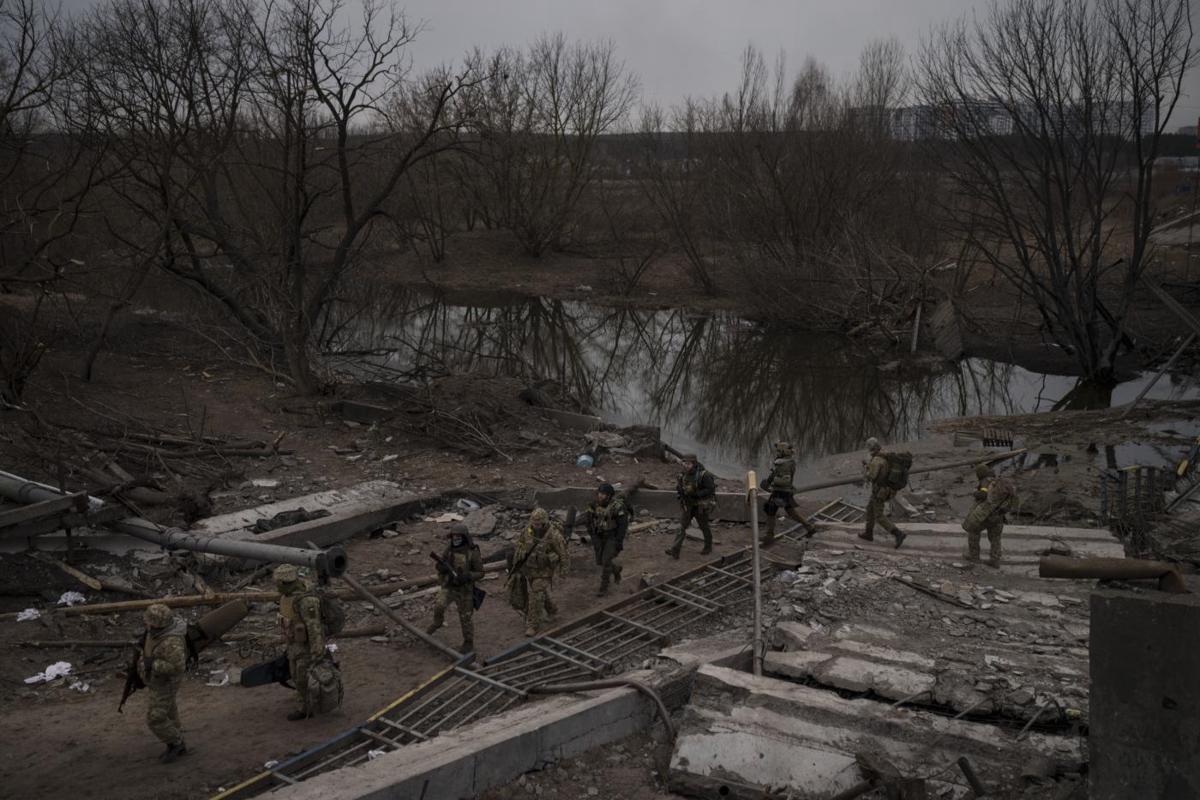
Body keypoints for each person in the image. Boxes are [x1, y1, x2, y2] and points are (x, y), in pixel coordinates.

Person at [275, 564, 326, 720]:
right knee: (296, 677)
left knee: (303, 678)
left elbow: (314, 627)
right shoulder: (287, 597)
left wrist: (317, 652)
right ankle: (306, 704)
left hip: (305, 647)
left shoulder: (306, 601)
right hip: (293, 645)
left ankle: (306, 709)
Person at [139, 603, 188, 763]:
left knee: (156, 718)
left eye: (149, 622)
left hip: (165, 683)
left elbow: (177, 667)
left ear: (157, 624)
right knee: (169, 710)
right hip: (156, 681)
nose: (146, 624)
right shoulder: (155, 633)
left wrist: (152, 664)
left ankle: (176, 742)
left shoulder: (172, 642)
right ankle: (176, 736)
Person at [509, 507, 568, 637]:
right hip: (530, 568)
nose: (536, 526)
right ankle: (552, 609)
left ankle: (532, 625)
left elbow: (563, 552)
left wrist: (563, 569)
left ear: (544, 522)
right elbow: (520, 545)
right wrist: (515, 565)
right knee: (539, 591)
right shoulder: (527, 530)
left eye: (538, 523)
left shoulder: (553, 535)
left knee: (535, 595)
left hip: (545, 569)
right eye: (534, 523)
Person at [427, 524, 484, 652]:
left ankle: (468, 642)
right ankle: (437, 622)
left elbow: (481, 573)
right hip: (450, 586)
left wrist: (467, 576)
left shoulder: (473, 552)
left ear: (464, 537)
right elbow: (441, 562)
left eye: (459, 536)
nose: (456, 538)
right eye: (454, 536)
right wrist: (440, 567)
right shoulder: (449, 549)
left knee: (465, 617)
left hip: (465, 590)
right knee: (439, 605)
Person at [760, 441, 818, 546]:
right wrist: (769, 482)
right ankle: (810, 527)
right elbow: (775, 474)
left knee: (771, 511)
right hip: (785, 491)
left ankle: (769, 536)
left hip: (780, 492)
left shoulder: (784, 464)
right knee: (791, 512)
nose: (777, 453)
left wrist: (768, 483)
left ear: (783, 452)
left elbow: (782, 479)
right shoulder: (788, 462)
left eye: (779, 451)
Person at [963, 463, 1016, 568]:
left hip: (986, 515)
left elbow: (983, 495)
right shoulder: (998, 482)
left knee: (973, 531)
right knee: (995, 538)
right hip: (999, 516)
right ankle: (995, 560)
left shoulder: (985, 482)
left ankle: (974, 557)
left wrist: (975, 493)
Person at [860, 437, 907, 548]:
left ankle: (898, 534)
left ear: (870, 448)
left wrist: (866, 468)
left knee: (879, 516)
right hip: (886, 489)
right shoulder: (885, 454)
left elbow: (871, 477)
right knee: (870, 509)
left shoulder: (876, 460)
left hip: (880, 491)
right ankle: (868, 533)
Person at [583, 483, 629, 596]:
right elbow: (588, 520)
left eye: (603, 494)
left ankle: (604, 587)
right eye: (600, 493)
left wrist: (619, 541)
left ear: (609, 495)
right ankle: (616, 569)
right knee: (600, 561)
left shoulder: (617, 506)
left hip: (611, 537)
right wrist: (592, 535)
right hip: (598, 536)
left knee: (606, 561)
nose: (600, 496)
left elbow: (622, 526)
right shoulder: (593, 504)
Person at [668, 454, 716, 558]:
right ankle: (675, 550)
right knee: (682, 527)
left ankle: (708, 547)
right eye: (684, 463)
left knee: (704, 527)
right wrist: (681, 493)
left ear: (694, 464)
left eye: (688, 464)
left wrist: (696, 495)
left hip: (700, 506)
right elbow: (680, 487)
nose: (685, 465)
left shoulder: (704, 475)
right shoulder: (682, 475)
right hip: (688, 505)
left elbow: (710, 489)